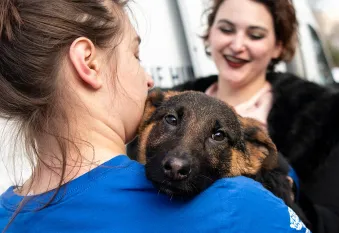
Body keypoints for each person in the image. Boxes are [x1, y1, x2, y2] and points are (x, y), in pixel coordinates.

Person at [0, 0, 310, 232]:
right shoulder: (236, 204)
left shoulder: (6, 216)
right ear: (88, 63)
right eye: (135, 56)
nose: (149, 81)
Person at [167, 0, 339, 232]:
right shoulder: (168, 106)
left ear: (278, 46)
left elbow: (334, 222)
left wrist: (287, 197)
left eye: (255, 35)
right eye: (226, 29)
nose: (237, 45)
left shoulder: (317, 117)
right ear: (209, 33)